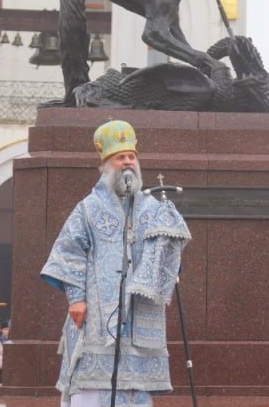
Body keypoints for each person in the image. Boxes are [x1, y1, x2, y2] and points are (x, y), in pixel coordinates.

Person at [40, 120, 192, 407]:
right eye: (120, 157)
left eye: (131, 157)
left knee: (135, 391)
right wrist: (76, 298)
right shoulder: (89, 207)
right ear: (106, 165)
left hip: (140, 315)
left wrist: (171, 245)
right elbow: (68, 251)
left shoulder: (153, 209)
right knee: (92, 390)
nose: (127, 163)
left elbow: (169, 260)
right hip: (97, 312)